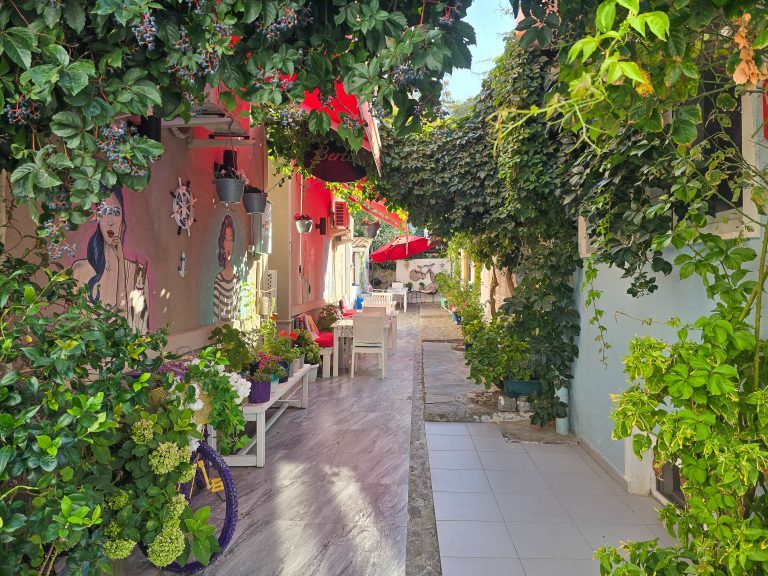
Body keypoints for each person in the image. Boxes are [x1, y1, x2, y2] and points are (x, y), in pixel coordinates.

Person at [72, 186, 145, 323]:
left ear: (123, 219)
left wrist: (121, 259)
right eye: (104, 211)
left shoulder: (137, 273)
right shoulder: (80, 270)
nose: (110, 221)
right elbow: (74, 325)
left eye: (116, 212)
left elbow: (132, 324)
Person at [213, 214, 238, 322]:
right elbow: (215, 317)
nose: (228, 245)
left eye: (231, 240)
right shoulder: (218, 280)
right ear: (221, 243)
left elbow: (238, 312)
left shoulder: (237, 278)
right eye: (226, 240)